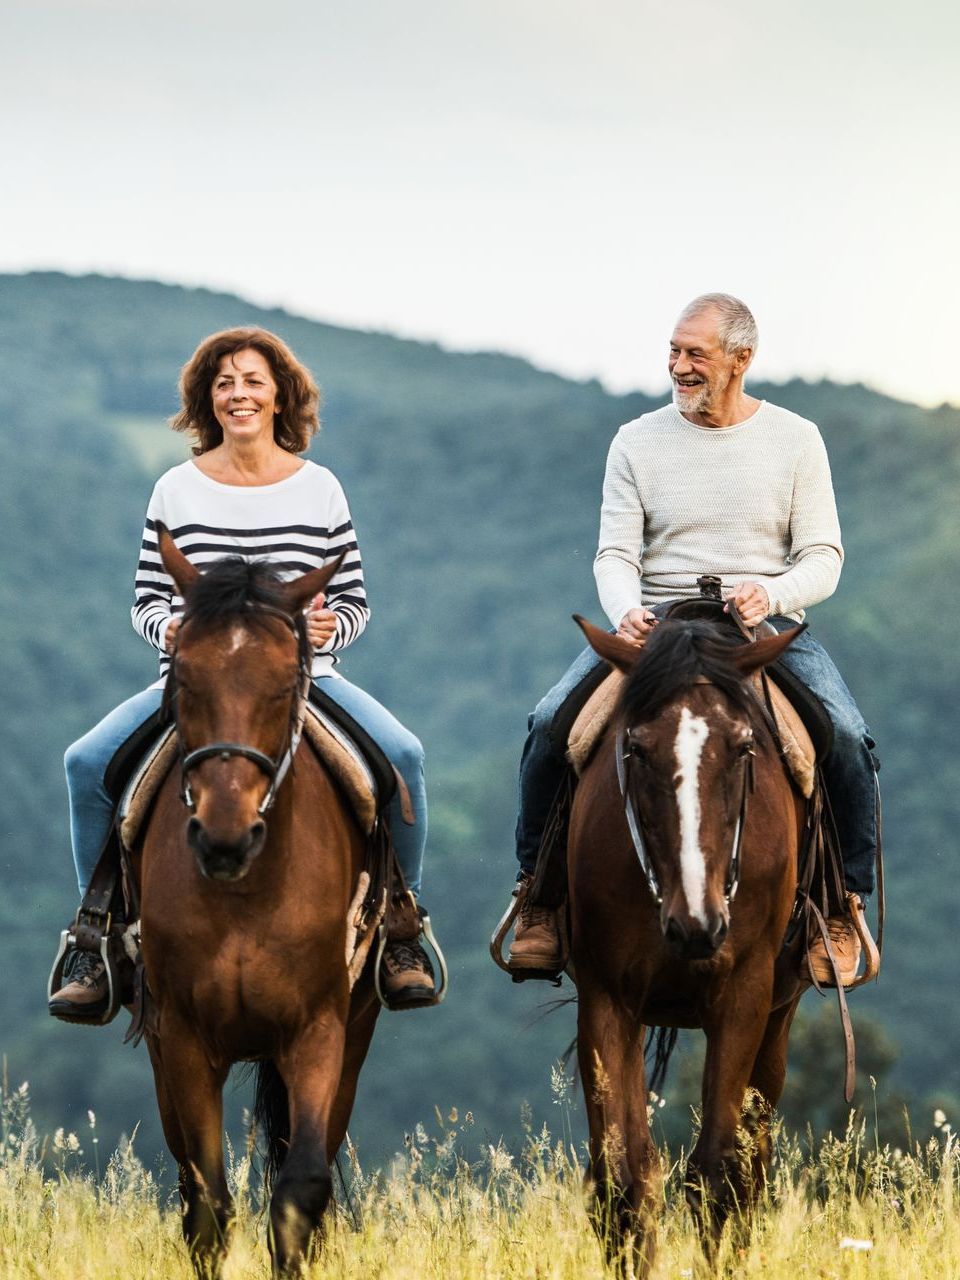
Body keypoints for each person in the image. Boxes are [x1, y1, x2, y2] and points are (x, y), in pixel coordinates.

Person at [50, 327, 435, 1017]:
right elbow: (145, 599)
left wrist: (327, 629)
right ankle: (96, 931)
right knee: (86, 763)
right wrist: (166, 628)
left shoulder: (320, 489)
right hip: (196, 679)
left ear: (280, 394)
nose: (239, 395)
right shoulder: (176, 488)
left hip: (302, 679)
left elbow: (353, 602)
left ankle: (401, 925)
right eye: (224, 383)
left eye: (252, 380)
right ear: (207, 400)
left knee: (403, 757)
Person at [507, 293, 878, 987]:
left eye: (694, 355)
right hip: (658, 626)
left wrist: (773, 593)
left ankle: (840, 907)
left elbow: (823, 555)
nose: (678, 366)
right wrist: (625, 610)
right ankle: (538, 898)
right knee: (551, 723)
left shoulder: (796, 439)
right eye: (674, 351)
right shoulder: (636, 441)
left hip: (755, 627)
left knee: (848, 736)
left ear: (741, 359)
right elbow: (614, 553)